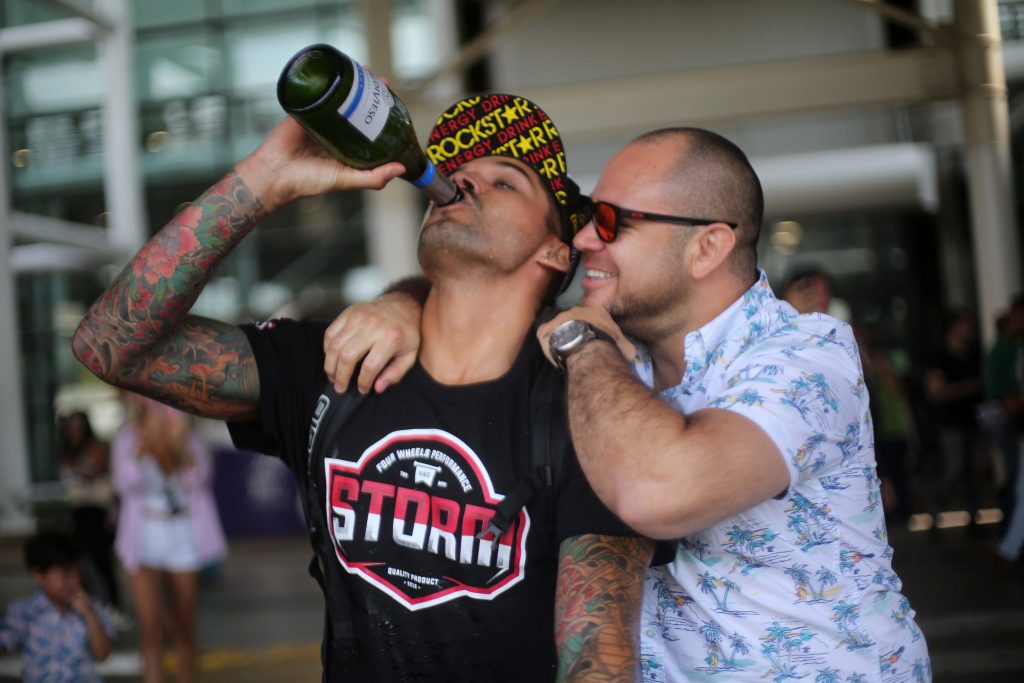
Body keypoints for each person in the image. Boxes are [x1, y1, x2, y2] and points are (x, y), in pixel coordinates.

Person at [72, 91, 657, 682]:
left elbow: (598, 657)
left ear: (557, 251)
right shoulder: (333, 364)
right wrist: (263, 181)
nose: (465, 183)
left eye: (505, 182)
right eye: (457, 174)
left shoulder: (586, 409)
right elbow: (111, 345)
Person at [329, 127, 931, 681]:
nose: (586, 237)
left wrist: (581, 339)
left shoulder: (807, 353)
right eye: (589, 215)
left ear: (707, 247)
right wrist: (402, 303)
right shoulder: (618, 356)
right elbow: (476, 289)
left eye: (613, 222)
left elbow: (658, 493)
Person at [110, 393, 226, 683]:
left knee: (184, 625)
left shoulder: (189, 438)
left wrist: (179, 446)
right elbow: (125, 483)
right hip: (143, 538)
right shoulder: (126, 438)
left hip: (183, 535)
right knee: (150, 629)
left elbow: (200, 480)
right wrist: (144, 446)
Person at [0, 531, 113, 683]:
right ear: (38, 576)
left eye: (77, 572)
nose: (74, 581)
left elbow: (102, 655)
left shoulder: (92, 607)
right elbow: (5, 641)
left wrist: (90, 615)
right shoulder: (23, 611)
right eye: (65, 574)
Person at [923, 309, 985, 528]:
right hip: (950, 422)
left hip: (973, 419)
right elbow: (935, 392)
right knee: (954, 467)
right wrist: (967, 387)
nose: (969, 329)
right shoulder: (939, 355)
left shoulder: (974, 352)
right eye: (965, 324)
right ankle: (936, 508)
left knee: (974, 469)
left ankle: (973, 513)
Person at [57, 411, 120, 610]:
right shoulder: (67, 450)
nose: (73, 428)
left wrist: (81, 471)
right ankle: (88, 604)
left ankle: (114, 606)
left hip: (95, 509)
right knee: (78, 562)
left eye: (77, 424)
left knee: (102, 561)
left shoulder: (93, 447)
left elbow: (101, 470)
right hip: (77, 510)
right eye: (70, 424)